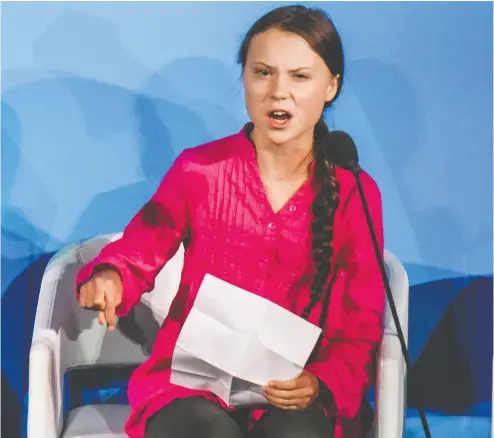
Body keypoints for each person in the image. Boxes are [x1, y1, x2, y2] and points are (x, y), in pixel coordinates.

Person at [76, 5, 384, 438]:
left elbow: (361, 319)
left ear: (331, 86)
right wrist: (110, 276)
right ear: (244, 78)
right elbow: (141, 246)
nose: (279, 91)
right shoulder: (200, 170)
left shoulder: (354, 191)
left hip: (296, 391)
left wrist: (322, 381)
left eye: (299, 76)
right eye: (263, 73)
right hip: (193, 386)